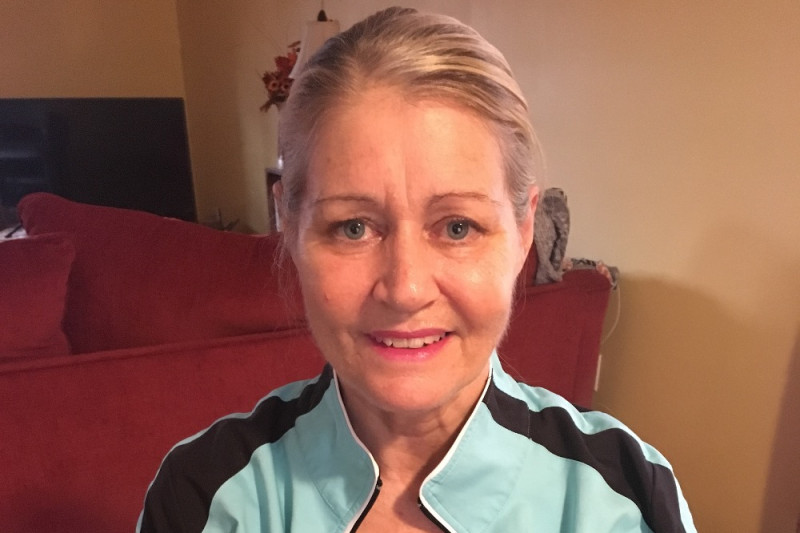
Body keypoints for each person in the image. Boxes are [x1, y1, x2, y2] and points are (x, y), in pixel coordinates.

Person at [138, 7, 695, 532]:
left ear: (524, 230)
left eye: (458, 227)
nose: (405, 290)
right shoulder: (206, 494)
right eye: (353, 227)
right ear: (288, 224)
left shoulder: (623, 494)